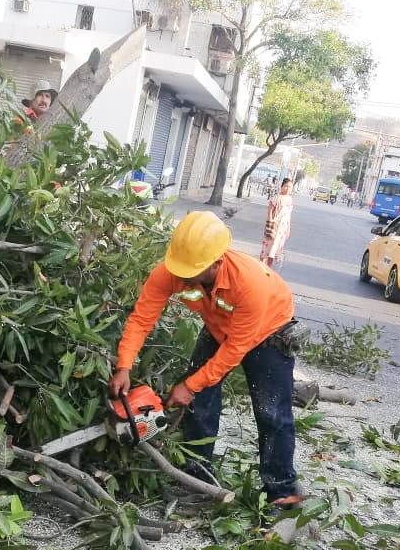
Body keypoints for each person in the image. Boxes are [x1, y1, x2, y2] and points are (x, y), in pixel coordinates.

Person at [109, 211, 304, 510]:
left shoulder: (249, 284)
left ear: (216, 261)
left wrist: (190, 385)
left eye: (190, 271)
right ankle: (197, 478)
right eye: (180, 269)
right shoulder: (172, 271)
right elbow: (141, 319)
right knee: (199, 404)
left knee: (271, 413)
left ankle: (283, 492)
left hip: (269, 330)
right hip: (219, 326)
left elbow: (235, 349)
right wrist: (124, 366)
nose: (182, 277)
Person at [261, 177, 293, 268]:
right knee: (267, 247)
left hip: (282, 229)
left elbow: (289, 215)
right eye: (286, 186)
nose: (288, 189)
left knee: (275, 249)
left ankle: (269, 268)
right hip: (274, 225)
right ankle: (261, 266)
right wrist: (270, 223)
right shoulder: (276, 197)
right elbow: (270, 211)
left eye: (290, 187)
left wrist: (288, 228)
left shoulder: (290, 200)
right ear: (282, 186)